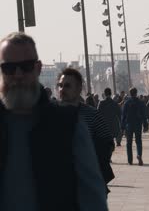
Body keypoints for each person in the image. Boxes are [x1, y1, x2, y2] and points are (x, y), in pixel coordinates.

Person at [0, 32, 107, 210]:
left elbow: (92, 196)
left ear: (38, 68)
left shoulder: (68, 125)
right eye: (9, 68)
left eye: (25, 67)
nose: (18, 75)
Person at [57, 68, 115, 195]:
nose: (62, 90)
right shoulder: (50, 115)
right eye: (60, 86)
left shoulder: (91, 115)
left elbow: (107, 143)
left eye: (67, 86)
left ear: (78, 89)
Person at [122, 87, 146, 165]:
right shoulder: (140, 102)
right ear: (136, 93)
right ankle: (139, 155)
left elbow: (123, 115)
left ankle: (130, 160)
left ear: (130, 93)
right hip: (138, 124)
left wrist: (122, 127)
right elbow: (144, 114)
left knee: (129, 143)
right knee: (138, 141)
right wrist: (145, 124)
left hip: (129, 124)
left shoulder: (127, 102)